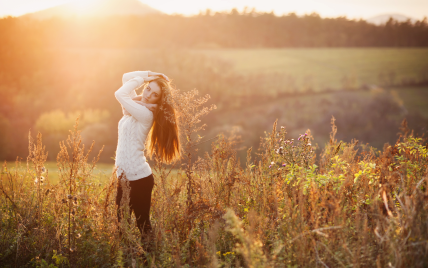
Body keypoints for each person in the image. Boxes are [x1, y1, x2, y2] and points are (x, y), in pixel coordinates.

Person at [114, 70, 180, 238]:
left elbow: (120, 93)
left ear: (158, 100)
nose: (148, 94)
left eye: (154, 94)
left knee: (143, 225)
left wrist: (142, 81)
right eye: (148, 88)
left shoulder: (145, 114)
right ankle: (128, 261)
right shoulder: (136, 108)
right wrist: (150, 75)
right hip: (123, 178)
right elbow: (125, 77)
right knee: (121, 226)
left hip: (139, 179)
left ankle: (151, 260)